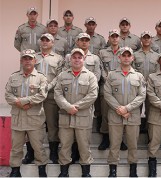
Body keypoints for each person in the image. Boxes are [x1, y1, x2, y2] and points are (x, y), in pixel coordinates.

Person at [54, 48, 98, 177]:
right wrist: (68, 107)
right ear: (70, 59)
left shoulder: (90, 76)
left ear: (84, 59)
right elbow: (58, 94)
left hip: (83, 117)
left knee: (84, 146)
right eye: (74, 57)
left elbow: (92, 95)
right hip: (65, 117)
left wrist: (76, 106)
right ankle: (64, 172)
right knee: (65, 145)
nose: (77, 59)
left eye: (80, 57)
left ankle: (86, 173)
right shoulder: (62, 75)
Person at [104, 47, 146, 177]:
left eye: (129, 55)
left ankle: (133, 170)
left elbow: (142, 95)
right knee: (114, 144)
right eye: (124, 55)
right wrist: (120, 109)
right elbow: (107, 94)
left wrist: (127, 108)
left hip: (132, 115)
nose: (126, 58)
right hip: (115, 114)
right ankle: (113, 170)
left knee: (133, 144)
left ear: (132, 58)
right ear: (119, 57)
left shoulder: (138, 76)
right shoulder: (111, 75)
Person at [5, 49, 48, 177]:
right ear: (21, 61)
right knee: (16, 147)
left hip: (34, 118)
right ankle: (15, 170)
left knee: (38, 146)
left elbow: (42, 95)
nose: (27, 61)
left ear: (35, 61)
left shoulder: (41, 77)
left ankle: (41, 168)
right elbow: (8, 95)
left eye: (30, 58)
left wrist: (23, 101)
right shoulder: (13, 77)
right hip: (18, 118)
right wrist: (18, 103)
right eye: (25, 58)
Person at [35, 33, 64, 164]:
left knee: (52, 125)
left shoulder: (58, 58)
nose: (45, 42)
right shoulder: (33, 57)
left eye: (48, 40)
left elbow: (59, 76)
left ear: (53, 43)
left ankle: (53, 152)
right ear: (40, 42)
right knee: (34, 125)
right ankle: (32, 152)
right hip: (35, 96)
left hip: (51, 96)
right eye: (43, 40)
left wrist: (47, 87)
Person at [98, 29, 128, 151]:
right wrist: (111, 80)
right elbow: (101, 69)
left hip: (122, 88)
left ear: (119, 38)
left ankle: (119, 139)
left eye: (116, 36)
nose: (115, 38)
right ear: (109, 38)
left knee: (119, 113)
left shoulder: (125, 52)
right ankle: (105, 138)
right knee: (105, 113)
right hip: (106, 86)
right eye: (112, 36)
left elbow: (127, 67)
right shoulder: (102, 52)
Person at [133, 31, 159, 133]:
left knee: (151, 111)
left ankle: (149, 133)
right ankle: (136, 131)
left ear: (151, 39)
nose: (146, 39)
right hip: (137, 87)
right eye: (144, 38)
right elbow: (133, 70)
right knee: (136, 110)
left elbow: (157, 72)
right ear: (141, 40)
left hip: (151, 87)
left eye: (148, 38)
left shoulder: (157, 56)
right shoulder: (135, 55)